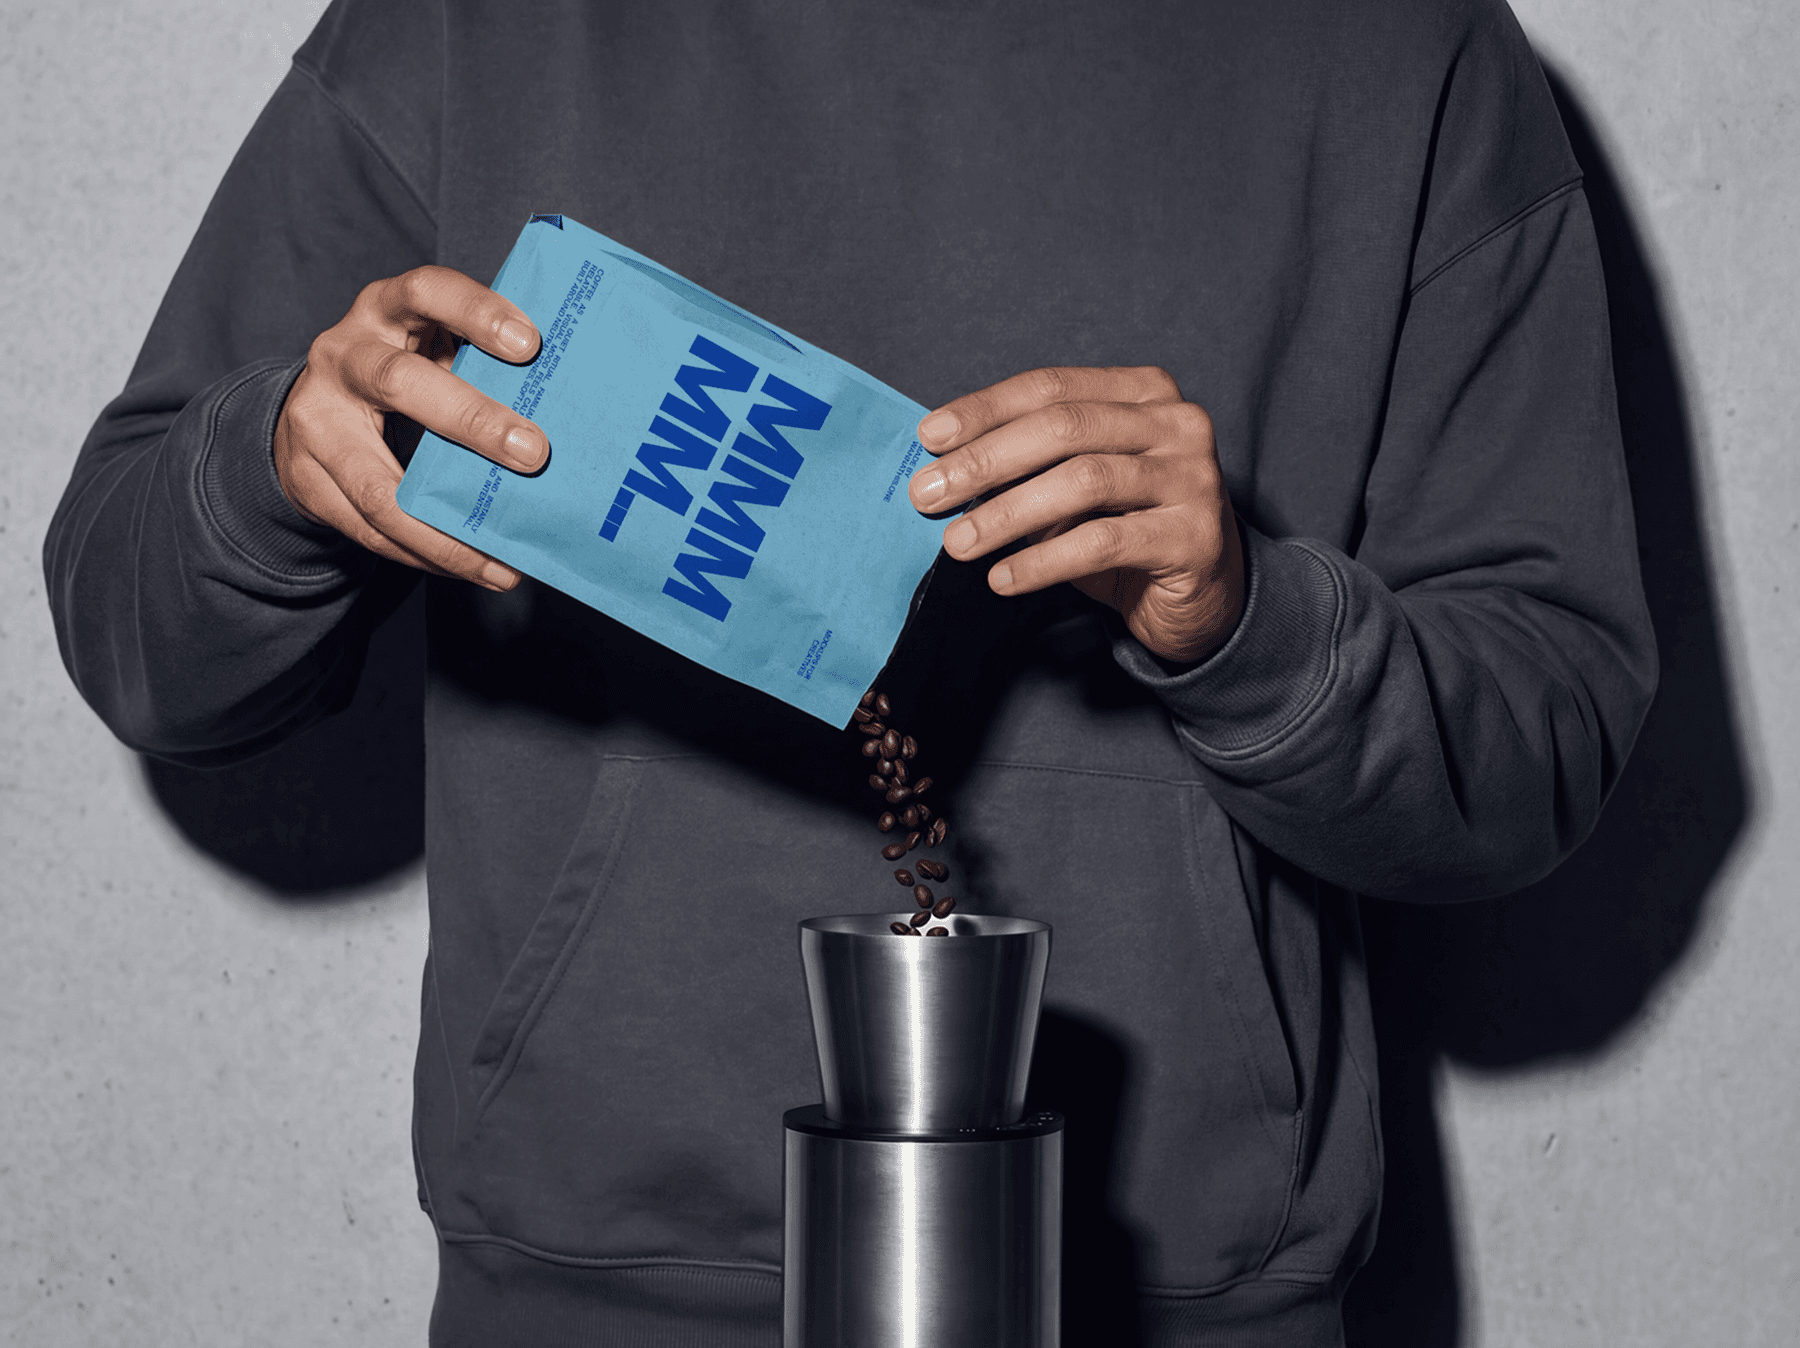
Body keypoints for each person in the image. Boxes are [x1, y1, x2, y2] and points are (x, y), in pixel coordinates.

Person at [43, 0, 1657, 1343]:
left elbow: (1548, 740)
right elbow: (135, 631)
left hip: (1190, 1294)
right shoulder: (476, 23)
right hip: (590, 1284)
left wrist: (1249, 620)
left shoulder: (1404, 51)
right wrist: (269, 471)